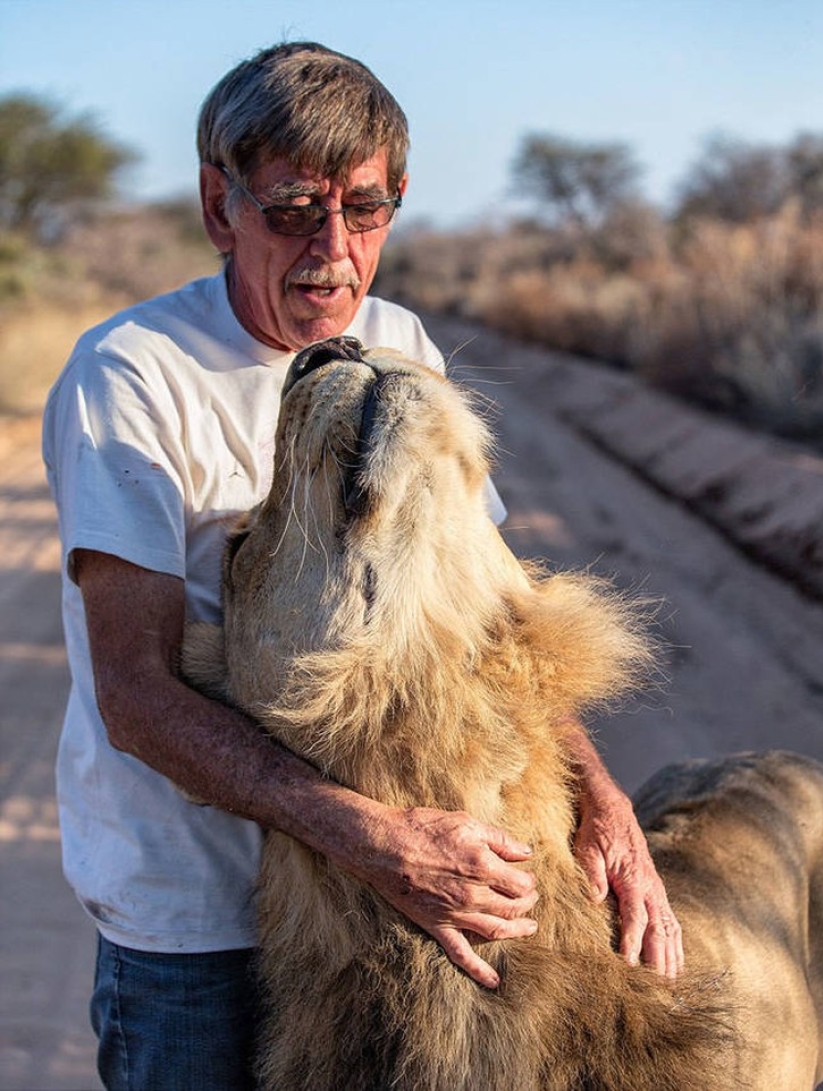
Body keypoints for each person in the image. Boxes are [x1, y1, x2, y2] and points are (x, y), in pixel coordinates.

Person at [43, 41, 682, 1091]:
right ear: (221, 206)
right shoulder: (131, 377)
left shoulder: (400, 345)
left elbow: (494, 624)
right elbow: (136, 695)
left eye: (366, 206)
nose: (331, 248)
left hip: (380, 900)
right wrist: (376, 839)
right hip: (203, 920)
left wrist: (602, 801)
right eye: (293, 206)